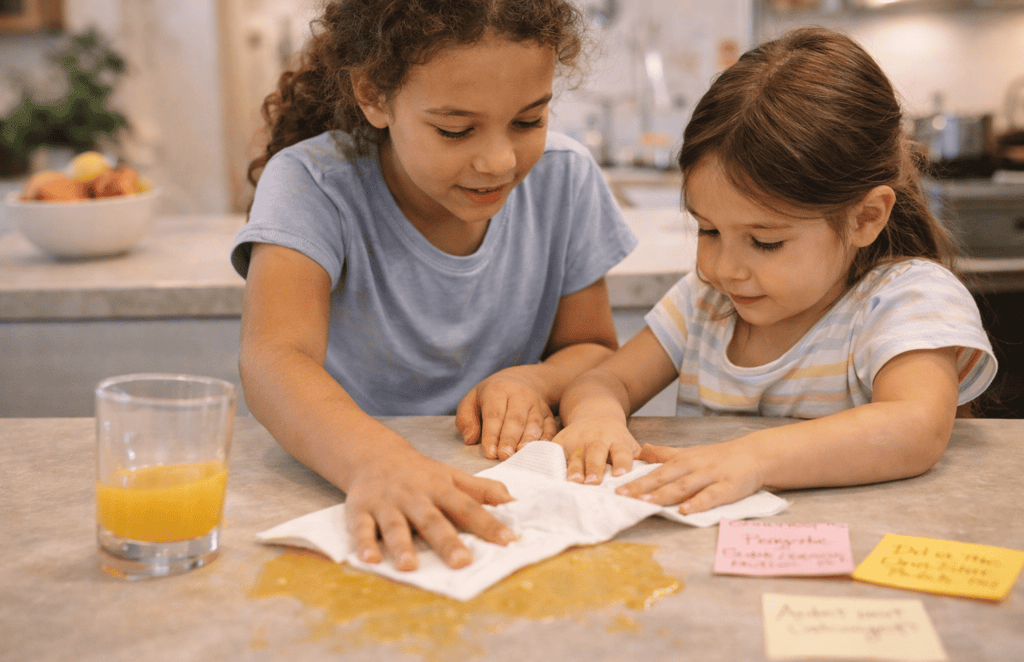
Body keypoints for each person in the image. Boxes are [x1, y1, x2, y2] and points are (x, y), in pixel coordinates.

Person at [230, 0, 637, 571]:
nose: (498, 161)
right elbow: (273, 359)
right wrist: (375, 462)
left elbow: (592, 348)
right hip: (352, 473)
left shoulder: (565, 179)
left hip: (514, 495)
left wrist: (534, 378)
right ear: (374, 95)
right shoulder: (312, 184)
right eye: (456, 129)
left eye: (528, 121)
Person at [549, 27, 997, 516]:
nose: (724, 269)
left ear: (865, 217)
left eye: (766, 242)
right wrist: (597, 418)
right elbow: (603, 382)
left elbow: (916, 427)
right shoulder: (704, 303)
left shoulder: (905, 301)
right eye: (708, 231)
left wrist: (750, 458)